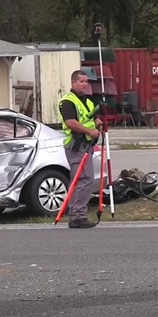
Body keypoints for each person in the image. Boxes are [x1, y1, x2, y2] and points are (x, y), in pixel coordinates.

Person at [58, 70, 103, 229]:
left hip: (87, 145)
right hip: (76, 144)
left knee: (81, 179)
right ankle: (78, 216)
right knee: (84, 179)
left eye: (86, 81)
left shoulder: (88, 101)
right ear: (73, 83)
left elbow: (94, 117)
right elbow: (70, 122)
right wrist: (89, 131)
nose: (85, 84)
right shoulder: (68, 101)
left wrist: (98, 124)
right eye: (82, 81)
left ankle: (76, 214)